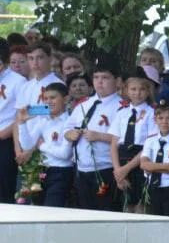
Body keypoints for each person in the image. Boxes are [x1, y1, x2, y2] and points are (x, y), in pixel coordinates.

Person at [66, 60, 124, 211]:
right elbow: (67, 127)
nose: (99, 82)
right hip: (81, 168)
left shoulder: (122, 107)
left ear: (117, 81)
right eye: (96, 77)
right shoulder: (84, 104)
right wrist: (69, 134)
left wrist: (100, 136)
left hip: (105, 168)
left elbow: (126, 139)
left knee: (105, 212)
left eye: (105, 78)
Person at [16, 83, 75, 207]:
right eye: (46, 99)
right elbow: (27, 146)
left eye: (53, 98)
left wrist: (42, 146)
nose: (48, 102)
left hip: (61, 172)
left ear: (65, 99)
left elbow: (65, 154)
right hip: (42, 171)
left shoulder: (70, 121)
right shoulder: (44, 121)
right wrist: (22, 123)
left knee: (52, 211)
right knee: (38, 211)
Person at [108, 69, 158, 214]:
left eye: (142, 89)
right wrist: (118, 170)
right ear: (127, 91)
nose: (137, 93)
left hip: (140, 160)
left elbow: (148, 145)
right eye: (133, 89)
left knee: (141, 206)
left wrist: (126, 169)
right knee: (126, 206)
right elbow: (114, 144)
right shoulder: (121, 113)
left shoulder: (152, 113)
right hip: (122, 159)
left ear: (148, 91)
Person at [140, 102, 169, 218]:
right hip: (152, 187)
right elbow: (144, 165)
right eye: (160, 118)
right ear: (155, 120)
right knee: (154, 219)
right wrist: (168, 167)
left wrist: (153, 167)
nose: (164, 121)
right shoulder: (150, 140)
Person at [0, 38, 25, 203]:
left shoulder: (18, 81)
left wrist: (4, 133)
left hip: (6, 140)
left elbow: (23, 113)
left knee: (4, 189)